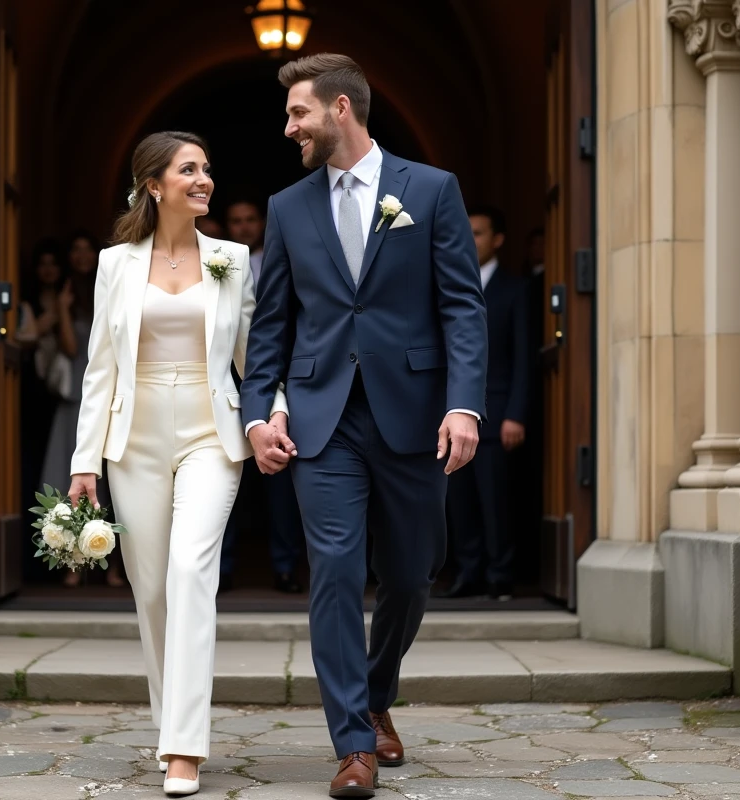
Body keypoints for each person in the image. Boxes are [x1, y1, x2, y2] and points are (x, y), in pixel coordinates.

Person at [240, 54, 487, 797]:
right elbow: (272, 325)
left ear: (340, 108)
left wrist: (464, 404)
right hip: (322, 421)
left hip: (412, 415)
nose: (289, 128)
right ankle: (353, 742)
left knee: (411, 574)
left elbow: (461, 306)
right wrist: (258, 414)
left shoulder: (431, 190)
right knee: (337, 571)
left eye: (298, 113)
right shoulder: (288, 207)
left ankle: (377, 694)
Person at [67, 131, 283, 797]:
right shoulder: (115, 264)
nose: (204, 179)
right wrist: (84, 462)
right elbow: (100, 368)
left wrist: (272, 414)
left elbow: (254, 356)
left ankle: (185, 747)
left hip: (210, 433)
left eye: (206, 169)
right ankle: (170, 725)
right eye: (189, 169)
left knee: (191, 570)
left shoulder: (230, 259)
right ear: (153, 185)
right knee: (153, 590)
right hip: (133, 440)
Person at [437, 206, 530, 601]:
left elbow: (524, 356)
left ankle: (500, 575)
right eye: (467, 232)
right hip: (451, 414)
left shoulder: (516, 289)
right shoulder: (445, 284)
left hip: (498, 414)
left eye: (478, 233)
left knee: (496, 501)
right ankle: (468, 573)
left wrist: (516, 414)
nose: (470, 240)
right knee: (458, 501)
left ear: (498, 239)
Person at [28, 233, 124, 589]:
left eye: (88, 249)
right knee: (69, 480)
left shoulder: (113, 284)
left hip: (112, 396)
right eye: (76, 250)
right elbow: (69, 348)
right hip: (77, 400)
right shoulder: (65, 293)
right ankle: (73, 565)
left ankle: (115, 567)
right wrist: (64, 309)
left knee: (114, 483)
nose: (83, 256)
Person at [219, 199, 305, 594]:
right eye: (235, 220)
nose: (243, 227)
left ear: (263, 222)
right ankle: (221, 569)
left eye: (250, 219)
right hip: (226, 380)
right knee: (224, 479)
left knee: (280, 480)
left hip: (278, 380)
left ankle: (285, 567)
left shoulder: (286, 256)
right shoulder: (217, 261)